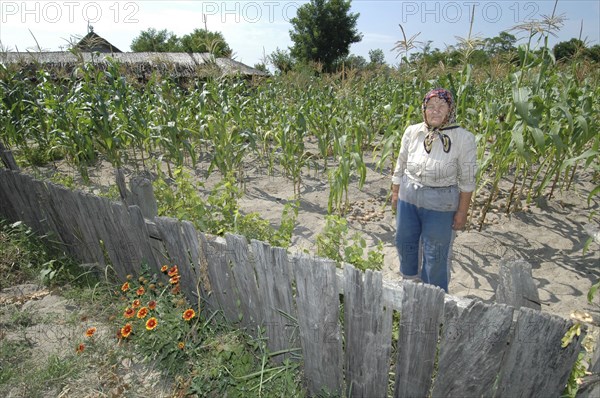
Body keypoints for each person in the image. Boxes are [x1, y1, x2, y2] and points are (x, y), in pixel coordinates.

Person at [390, 88, 477, 293]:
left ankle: (433, 297)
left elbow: (467, 179)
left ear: (450, 110)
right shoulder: (413, 131)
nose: (435, 111)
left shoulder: (464, 138)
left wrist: (462, 211)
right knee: (405, 242)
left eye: (442, 106)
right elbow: (400, 163)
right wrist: (396, 192)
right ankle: (409, 286)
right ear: (424, 109)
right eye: (430, 106)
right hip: (408, 196)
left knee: (435, 253)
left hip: (441, 202)